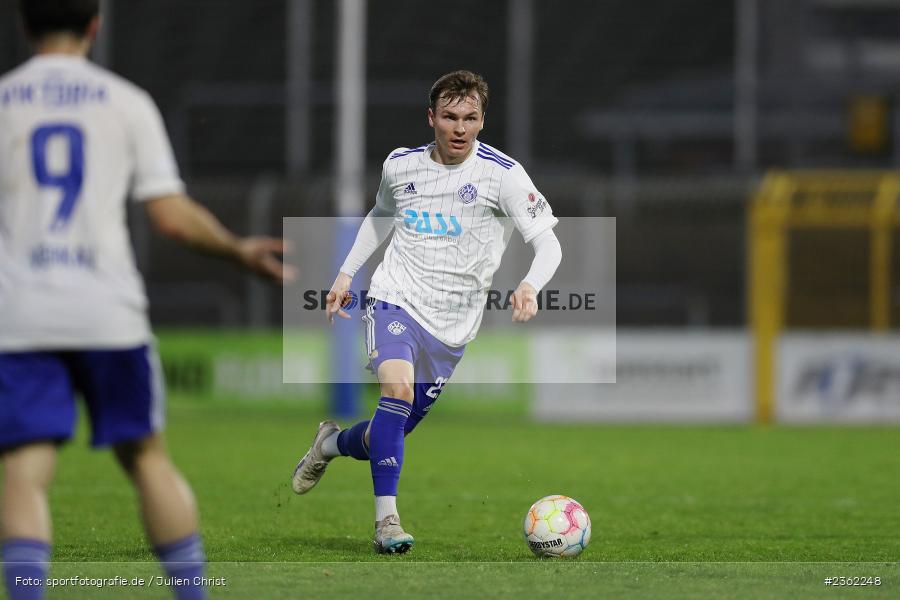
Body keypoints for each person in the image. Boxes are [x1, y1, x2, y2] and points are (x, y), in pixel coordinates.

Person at [0, 2, 293, 599]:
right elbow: (170, 217)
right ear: (94, 25)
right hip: (108, 315)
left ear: (24, 25)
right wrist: (237, 250)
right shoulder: (125, 102)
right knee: (148, 461)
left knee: (23, 474)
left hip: (19, 315)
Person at [291, 70, 562, 554]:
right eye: (451, 117)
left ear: (483, 121)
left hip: (453, 326)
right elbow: (380, 218)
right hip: (394, 297)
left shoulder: (503, 175)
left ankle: (327, 445)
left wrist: (529, 284)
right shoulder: (400, 166)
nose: (460, 128)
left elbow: (548, 244)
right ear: (432, 117)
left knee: (385, 433)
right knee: (394, 390)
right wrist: (346, 275)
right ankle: (387, 522)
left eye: (471, 118)